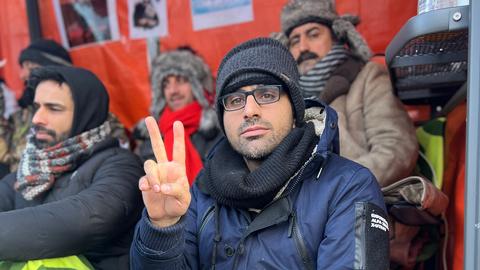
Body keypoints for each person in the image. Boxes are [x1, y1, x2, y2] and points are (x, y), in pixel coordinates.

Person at [130, 37, 389, 269]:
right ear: (222, 117)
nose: (249, 110)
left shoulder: (349, 186)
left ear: (295, 109)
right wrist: (162, 228)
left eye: (266, 94)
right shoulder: (203, 191)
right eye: (235, 100)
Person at [0, 66, 143, 269]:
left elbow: (87, 221)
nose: (37, 118)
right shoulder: (28, 170)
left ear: (86, 114)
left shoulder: (122, 166)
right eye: (37, 107)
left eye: (54, 108)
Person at [275, 0, 418, 187]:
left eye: (313, 35)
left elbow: (396, 151)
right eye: (295, 41)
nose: (303, 47)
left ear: (336, 37)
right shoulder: (282, 99)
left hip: (360, 203)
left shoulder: (368, 77)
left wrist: (332, 188)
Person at [0, 39, 130, 174]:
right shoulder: (20, 117)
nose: (22, 76)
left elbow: (117, 168)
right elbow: (4, 154)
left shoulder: (99, 122)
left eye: (32, 68)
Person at [133, 47, 221, 185]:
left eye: (180, 81)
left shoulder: (217, 131)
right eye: (166, 84)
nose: (173, 90)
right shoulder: (151, 138)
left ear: (196, 86)